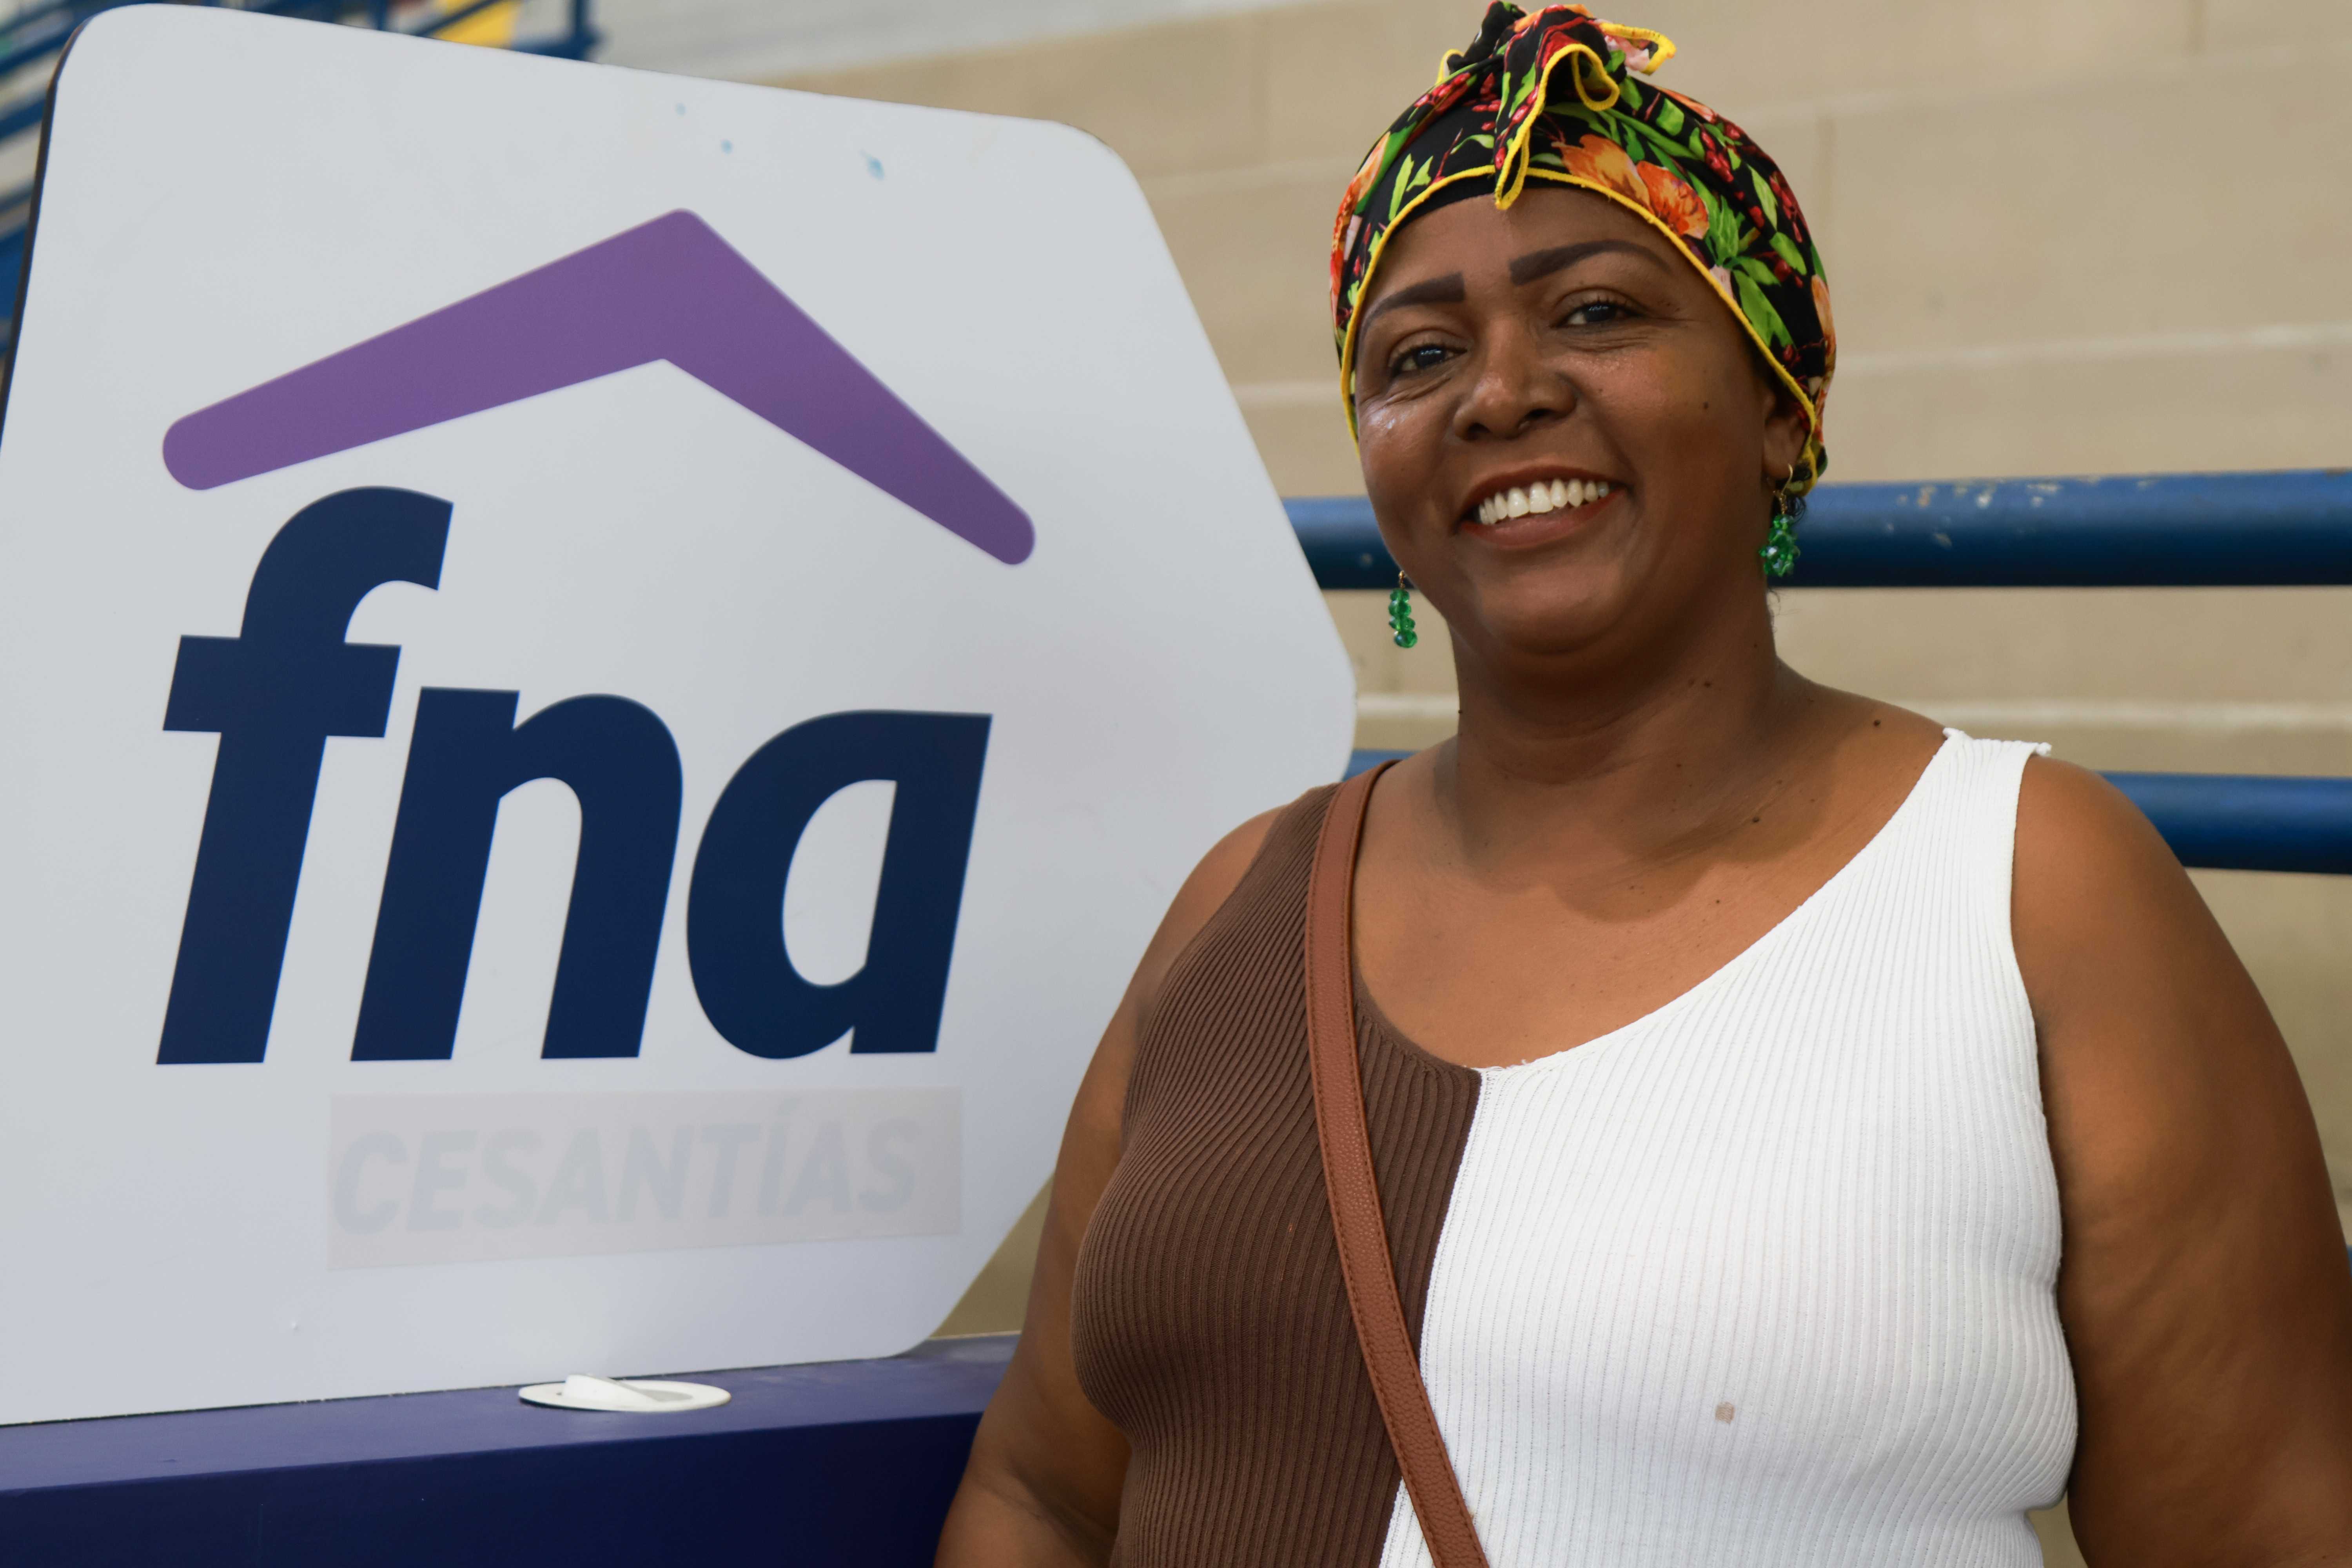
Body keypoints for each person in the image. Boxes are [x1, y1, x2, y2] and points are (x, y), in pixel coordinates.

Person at [936, 5, 2352, 1564]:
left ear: (1776, 406)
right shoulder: (1238, 905)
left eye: (1598, 312)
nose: (1501, 393)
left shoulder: (2033, 885)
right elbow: (1045, 1493)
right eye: (1417, 353)